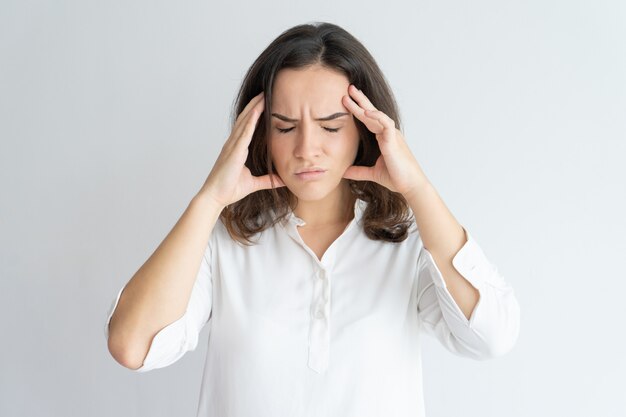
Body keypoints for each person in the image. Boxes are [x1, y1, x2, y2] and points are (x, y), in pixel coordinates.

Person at [104, 21, 520, 417]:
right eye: (285, 127)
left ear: (363, 129)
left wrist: (418, 190)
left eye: (330, 126)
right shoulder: (225, 242)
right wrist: (209, 200)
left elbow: (491, 336)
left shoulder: (408, 243)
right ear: (259, 133)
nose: (307, 148)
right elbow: (131, 346)